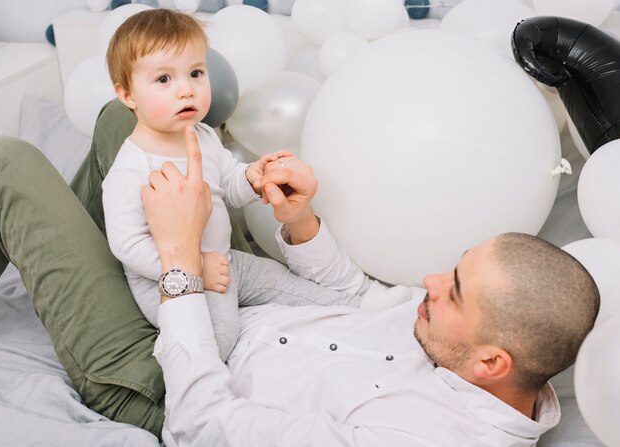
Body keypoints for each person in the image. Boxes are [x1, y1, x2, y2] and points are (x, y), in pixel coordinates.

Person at [142, 126, 600, 446]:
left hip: (174, 372)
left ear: (492, 362)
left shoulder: (421, 437)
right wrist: (299, 220)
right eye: (456, 267)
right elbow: (358, 296)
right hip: (234, 292)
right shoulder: (461, 335)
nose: (429, 283)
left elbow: (198, 425)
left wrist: (178, 255)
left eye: (453, 291)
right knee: (142, 119)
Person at [101, 9, 395, 361]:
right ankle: (170, 362)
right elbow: (128, 246)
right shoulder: (131, 169)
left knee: (306, 293)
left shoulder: (204, 136)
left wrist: (252, 178)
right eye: (164, 80)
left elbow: (227, 180)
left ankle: (371, 314)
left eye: (196, 73)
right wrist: (195, 268)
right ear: (127, 94)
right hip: (165, 278)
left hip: (228, 261)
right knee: (220, 340)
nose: (186, 90)